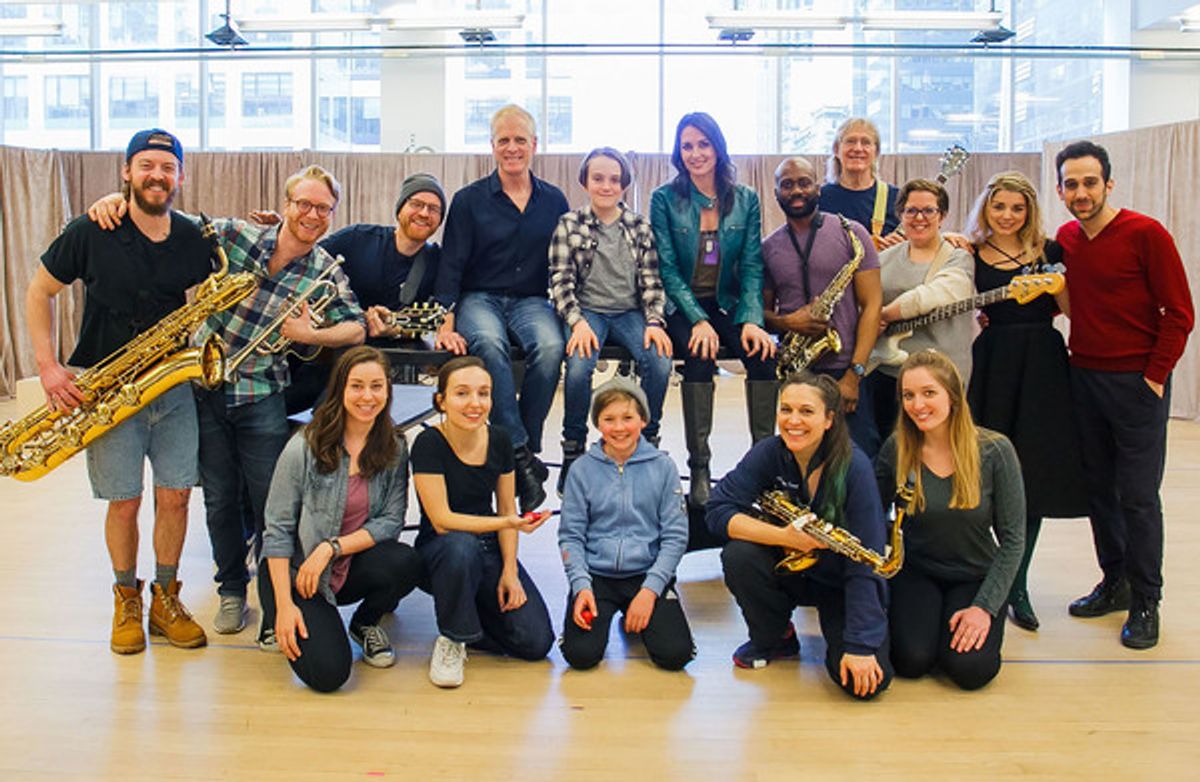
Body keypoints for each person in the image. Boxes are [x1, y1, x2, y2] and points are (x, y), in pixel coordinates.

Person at [87, 165, 367, 635]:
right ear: (286, 204)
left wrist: (309, 332)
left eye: (323, 208)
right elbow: (167, 227)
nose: (312, 215)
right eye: (304, 203)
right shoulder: (239, 236)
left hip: (261, 395)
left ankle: (275, 605)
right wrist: (116, 203)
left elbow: (356, 326)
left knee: (269, 502)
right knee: (218, 500)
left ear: (332, 214)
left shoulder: (325, 269)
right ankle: (232, 589)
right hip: (205, 389)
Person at [25, 128, 212, 654]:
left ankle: (166, 598)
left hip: (172, 386)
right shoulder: (91, 228)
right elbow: (39, 291)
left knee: (176, 497)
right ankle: (126, 598)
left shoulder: (194, 237)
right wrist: (48, 366)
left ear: (180, 176)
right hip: (107, 388)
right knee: (125, 503)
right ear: (126, 172)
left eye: (167, 167)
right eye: (146, 165)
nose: (157, 175)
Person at [1054, 141, 1194, 650]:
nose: (1081, 192)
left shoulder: (1146, 234)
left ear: (1108, 184)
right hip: (1084, 379)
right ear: (1061, 190)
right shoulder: (1066, 238)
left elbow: (1180, 313)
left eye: (1090, 182)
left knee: (1137, 497)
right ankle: (1114, 581)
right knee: (1100, 492)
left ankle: (1146, 600)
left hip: (1136, 383)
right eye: (1072, 183)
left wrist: (1155, 377)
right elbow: (1055, 290)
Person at [706, 372, 892, 700]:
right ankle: (776, 637)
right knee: (739, 556)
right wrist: (784, 537)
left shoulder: (856, 468)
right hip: (792, 568)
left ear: (829, 419)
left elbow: (868, 561)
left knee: (867, 685)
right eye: (786, 409)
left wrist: (860, 645)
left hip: (840, 583)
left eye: (806, 411)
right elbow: (718, 510)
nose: (793, 421)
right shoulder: (770, 452)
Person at [964, 171, 1089, 632]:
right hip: (992, 363)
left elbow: (1076, 313)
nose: (1008, 216)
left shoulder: (1051, 252)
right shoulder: (970, 253)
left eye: (1017, 208)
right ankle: (983, 577)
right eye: (1000, 207)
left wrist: (1062, 290)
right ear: (987, 208)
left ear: (1029, 211)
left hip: (1042, 364)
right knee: (982, 470)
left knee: (1030, 475)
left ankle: (1017, 584)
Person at [259, 347, 423, 692]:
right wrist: (285, 606)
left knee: (406, 561)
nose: (367, 396)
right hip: (297, 573)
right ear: (340, 390)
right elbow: (277, 530)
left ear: (388, 391)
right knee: (329, 674)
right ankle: (274, 615)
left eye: (376, 386)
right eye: (357, 386)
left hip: (342, 562)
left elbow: (391, 521)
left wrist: (331, 548)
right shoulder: (304, 445)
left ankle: (364, 624)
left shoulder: (394, 447)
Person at [433, 104, 569, 514]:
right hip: (481, 297)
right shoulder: (469, 200)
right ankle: (524, 458)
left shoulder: (554, 200)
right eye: (504, 140)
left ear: (534, 145)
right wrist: (446, 319)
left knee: (550, 348)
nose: (512, 148)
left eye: (520, 140)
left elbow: (563, 264)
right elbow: (451, 263)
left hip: (532, 301)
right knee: (488, 346)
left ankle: (522, 449)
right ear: (492, 146)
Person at [876, 349, 1025, 690]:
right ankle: (931, 629)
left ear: (953, 396)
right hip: (917, 571)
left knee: (970, 670)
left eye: (929, 393)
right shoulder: (897, 447)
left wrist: (984, 608)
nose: (918, 405)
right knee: (911, 661)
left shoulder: (995, 451)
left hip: (974, 574)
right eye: (908, 395)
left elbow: (1014, 539)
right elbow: (870, 513)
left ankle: (953, 627)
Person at [650, 112, 776, 508]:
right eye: (687, 145)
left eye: (703, 144)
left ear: (718, 148)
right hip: (683, 303)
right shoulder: (664, 199)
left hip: (727, 301)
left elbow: (753, 265)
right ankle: (700, 469)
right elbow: (667, 268)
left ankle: (764, 467)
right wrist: (698, 320)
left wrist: (753, 321)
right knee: (699, 355)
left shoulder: (746, 199)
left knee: (763, 356)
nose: (695, 153)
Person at [411, 356, 555, 688]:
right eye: (462, 394)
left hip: (486, 544)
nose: (475, 403)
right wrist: (509, 523)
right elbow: (443, 520)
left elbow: (505, 506)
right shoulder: (429, 442)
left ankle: (469, 620)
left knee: (536, 643)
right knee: (461, 547)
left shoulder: (501, 439)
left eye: (484, 393)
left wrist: (510, 571)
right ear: (441, 401)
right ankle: (452, 638)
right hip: (442, 549)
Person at [254, 172, 447, 413]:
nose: (424, 213)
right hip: (314, 355)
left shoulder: (437, 262)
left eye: (433, 209)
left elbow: (438, 313)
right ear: (400, 208)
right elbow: (305, 257)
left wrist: (396, 328)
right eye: (416, 204)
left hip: (371, 370)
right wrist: (284, 231)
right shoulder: (358, 238)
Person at [549, 147, 673, 495]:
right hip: (587, 311)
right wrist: (577, 322)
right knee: (578, 367)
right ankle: (573, 449)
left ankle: (645, 442)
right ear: (585, 182)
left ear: (625, 184)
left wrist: (654, 321)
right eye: (598, 178)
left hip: (630, 312)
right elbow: (560, 280)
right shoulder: (569, 224)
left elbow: (651, 280)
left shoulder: (638, 226)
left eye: (615, 179)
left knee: (660, 363)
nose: (607, 186)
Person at [558, 377, 694, 671]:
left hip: (645, 574)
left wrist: (650, 591)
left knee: (675, 656)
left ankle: (641, 614)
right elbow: (571, 536)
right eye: (609, 419)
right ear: (598, 424)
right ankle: (602, 609)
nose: (619, 428)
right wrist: (581, 586)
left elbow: (675, 537)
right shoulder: (581, 470)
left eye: (628, 418)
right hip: (597, 576)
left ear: (643, 420)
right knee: (580, 655)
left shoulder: (663, 467)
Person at [762, 155, 883, 451]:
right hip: (796, 371)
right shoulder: (769, 247)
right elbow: (760, 314)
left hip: (845, 370)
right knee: (805, 459)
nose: (796, 191)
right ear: (776, 193)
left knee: (861, 458)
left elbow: (872, 305)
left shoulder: (852, 234)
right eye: (787, 185)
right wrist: (788, 322)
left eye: (804, 182)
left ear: (818, 187)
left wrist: (854, 375)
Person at [863, 178, 974, 457]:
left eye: (929, 211)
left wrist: (885, 313)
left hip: (940, 379)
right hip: (888, 375)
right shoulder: (884, 258)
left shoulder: (958, 257)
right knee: (889, 455)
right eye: (911, 211)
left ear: (943, 216)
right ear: (900, 215)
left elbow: (935, 294)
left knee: (934, 455)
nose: (919, 218)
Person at [818, 118, 903, 249]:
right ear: (836, 150)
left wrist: (901, 246)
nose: (858, 148)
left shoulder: (896, 198)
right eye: (850, 141)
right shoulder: (819, 198)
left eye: (866, 142)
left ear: (876, 152)